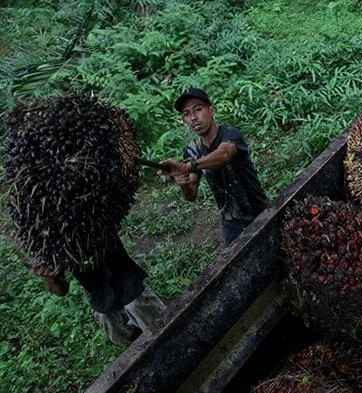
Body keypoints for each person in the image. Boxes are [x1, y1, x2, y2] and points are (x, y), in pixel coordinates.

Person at [158, 87, 269, 246]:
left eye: (198, 109)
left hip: (258, 211)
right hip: (230, 223)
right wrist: (183, 183)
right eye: (187, 114)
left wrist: (188, 166)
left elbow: (224, 155)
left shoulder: (230, 133)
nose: (193, 118)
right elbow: (192, 194)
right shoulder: (192, 150)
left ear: (212, 111)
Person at [32, 234, 166, 345]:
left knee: (152, 319)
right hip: (99, 294)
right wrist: (50, 277)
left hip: (126, 279)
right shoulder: (49, 238)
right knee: (119, 329)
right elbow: (61, 290)